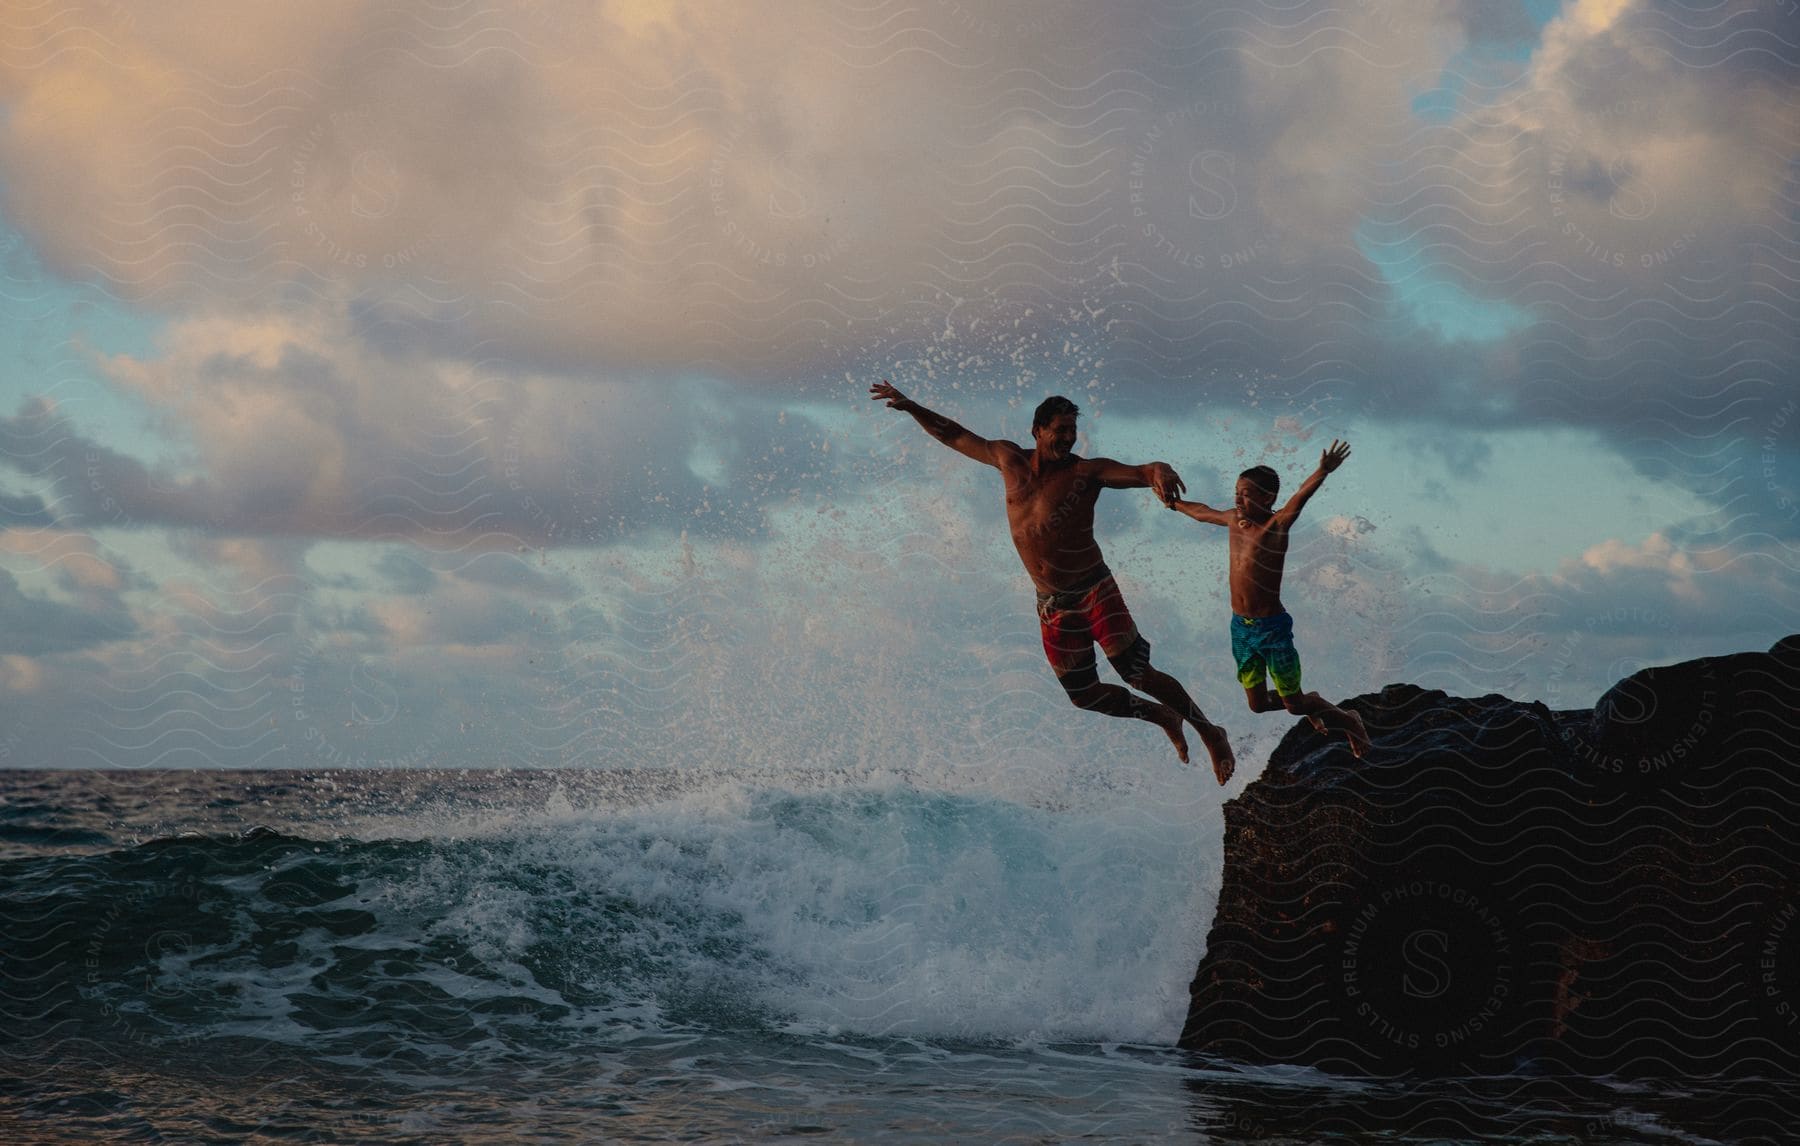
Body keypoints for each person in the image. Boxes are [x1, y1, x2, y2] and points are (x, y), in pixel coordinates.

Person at [871, 379, 1236, 782]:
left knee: (1136, 673)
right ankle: (1161, 716)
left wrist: (1159, 469)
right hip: (1052, 604)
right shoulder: (1007, 459)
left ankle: (1209, 731)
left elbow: (1139, 472)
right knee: (1084, 695)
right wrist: (911, 407)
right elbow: (954, 434)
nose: (1068, 438)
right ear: (1037, 431)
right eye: (1060, 430)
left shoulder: (1086, 472)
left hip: (1096, 590)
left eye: (1072, 430)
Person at [1163, 442, 1371, 757]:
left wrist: (1322, 471)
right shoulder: (1233, 520)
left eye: (1245, 493)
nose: (1238, 499)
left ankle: (1348, 720)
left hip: (1272, 629)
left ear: (1267, 498)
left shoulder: (1276, 527)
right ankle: (1309, 702)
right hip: (1240, 629)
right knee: (1257, 705)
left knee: (1294, 705)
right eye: (1236, 492)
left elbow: (1299, 498)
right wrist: (1174, 505)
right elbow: (1203, 512)